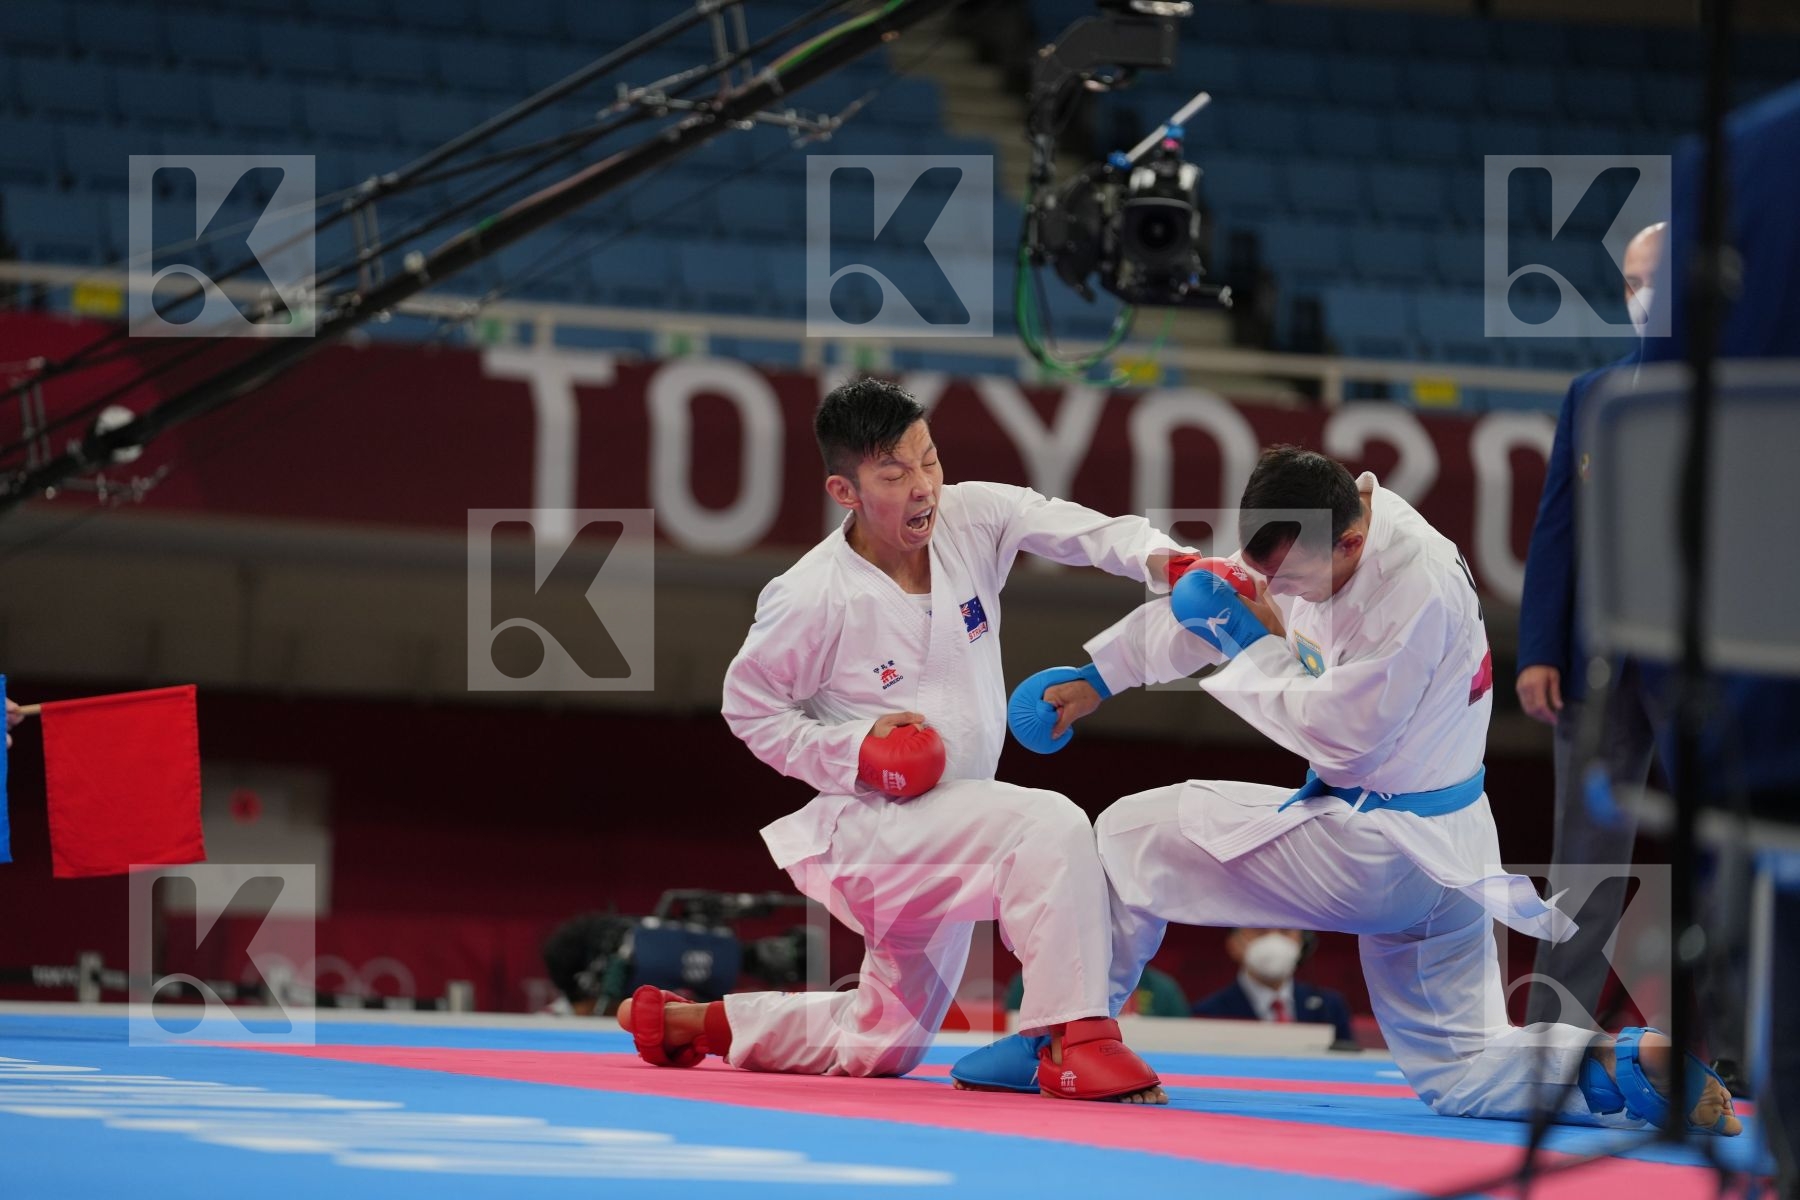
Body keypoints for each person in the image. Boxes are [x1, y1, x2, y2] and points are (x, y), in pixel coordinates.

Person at [955, 445, 1740, 1135]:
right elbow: (1224, 597)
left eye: (1289, 578)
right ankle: (1624, 1064)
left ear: (1354, 540)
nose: (1276, 586)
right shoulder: (1313, 523)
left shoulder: (1416, 594)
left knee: (1125, 833)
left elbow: (1338, 735)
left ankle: (1066, 1036)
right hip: (1452, 850)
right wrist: (1101, 677)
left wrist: (1251, 640)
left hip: (1383, 847)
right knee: (1462, 1070)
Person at [617, 377, 1177, 1103]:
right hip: (876, 827)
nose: (924, 488)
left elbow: (1079, 528)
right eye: (895, 473)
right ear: (844, 492)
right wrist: (855, 751)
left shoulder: (971, 520)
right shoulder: (811, 593)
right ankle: (1074, 1038)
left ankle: (695, 1024)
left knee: (885, 1044)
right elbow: (749, 709)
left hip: (956, 826)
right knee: (1052, 825)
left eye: (930, 461)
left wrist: (1173, 563)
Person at [1516, 224, 1666, 1031]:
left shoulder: (1741, 386)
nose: (1643, 297)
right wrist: (1538, 648)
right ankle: (1552, 1031)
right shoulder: (1591, 393)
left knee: (1724, 856)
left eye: (1658, 280)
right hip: (1596, 661)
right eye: (1632, 283)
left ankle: (1752, 1041)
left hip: (1704, 668)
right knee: (1584, 859)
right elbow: (1555, 532)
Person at [1192, 928, 1356, 1047]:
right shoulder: (1208, 1012)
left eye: (1285, 932)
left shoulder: (1329, 1008)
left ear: (1304, 942)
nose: (1273, 942)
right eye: (1260, 932)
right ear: (1234, 943)